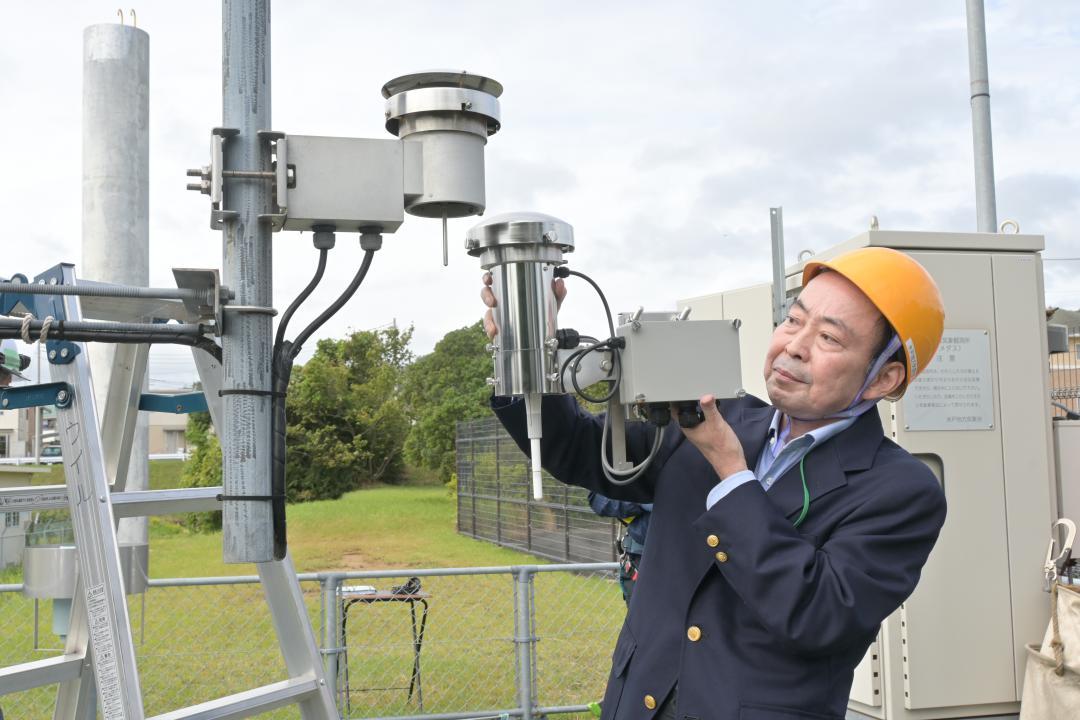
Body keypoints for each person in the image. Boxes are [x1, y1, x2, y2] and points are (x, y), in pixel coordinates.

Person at [482, 247, 948, 720]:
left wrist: (731, 470)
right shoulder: (719, 413)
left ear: (883, 378)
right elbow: (581, 449)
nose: (794, 345)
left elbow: (818, 614)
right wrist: (520, 357)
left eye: (829, 337)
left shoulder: (899, 491)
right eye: (793, 320)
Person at [587, 492, 652, 604]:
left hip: (686, 559)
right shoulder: (635, 475)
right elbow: (597, 498)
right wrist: (640, 499)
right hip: (641, 560)